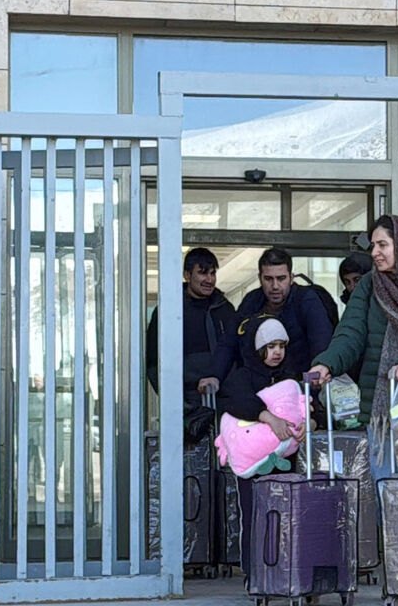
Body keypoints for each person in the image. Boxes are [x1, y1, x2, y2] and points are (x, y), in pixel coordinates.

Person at [308, 214, 398, 434]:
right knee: (382, 467)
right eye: (373, 246)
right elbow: (350, 333)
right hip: (378, 406)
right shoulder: (369, 285)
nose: (374, 253)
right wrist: (327, 363)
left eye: (383, 245)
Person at [218, 315, 308, 584]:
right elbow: (234, 400)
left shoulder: (291, 376)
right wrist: (268, 417)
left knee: (288, 513)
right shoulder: (243, 375)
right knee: (254, 513)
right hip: (253, 465)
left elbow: (307, 406)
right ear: (258, 349)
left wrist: (309, 423)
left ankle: (285, 568)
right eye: (270, 346)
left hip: (287, 459)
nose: (277, 352)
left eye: (281, 345)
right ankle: (254, 571)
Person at [213, 247, 334, 384]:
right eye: (268, 279)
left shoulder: (307, 300)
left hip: (299, 386)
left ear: (291, 278)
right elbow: (230, 341)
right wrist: (215, 376)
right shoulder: (251, 301)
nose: (275, 286)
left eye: (281, 278)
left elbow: (321, 344)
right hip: (257, 387)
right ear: (260, 278)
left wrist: (313, 385)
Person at [145, 247, 236, 409]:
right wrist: (176, 401)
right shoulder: (169, 310)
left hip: (225, 398)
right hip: (186, 401)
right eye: (202, 273)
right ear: (187, 275)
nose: (209, 279)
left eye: (212, 273)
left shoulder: (225, 309)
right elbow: (153, 362)